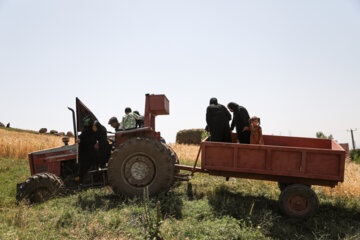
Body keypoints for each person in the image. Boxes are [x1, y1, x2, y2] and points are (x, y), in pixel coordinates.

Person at [77, 116, 97, 182]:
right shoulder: (87, 131)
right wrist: (79, 139)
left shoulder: (91, 131)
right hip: (87, 152)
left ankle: (82, 181)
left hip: (88, 154)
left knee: (84, 167)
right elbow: (81, 137)